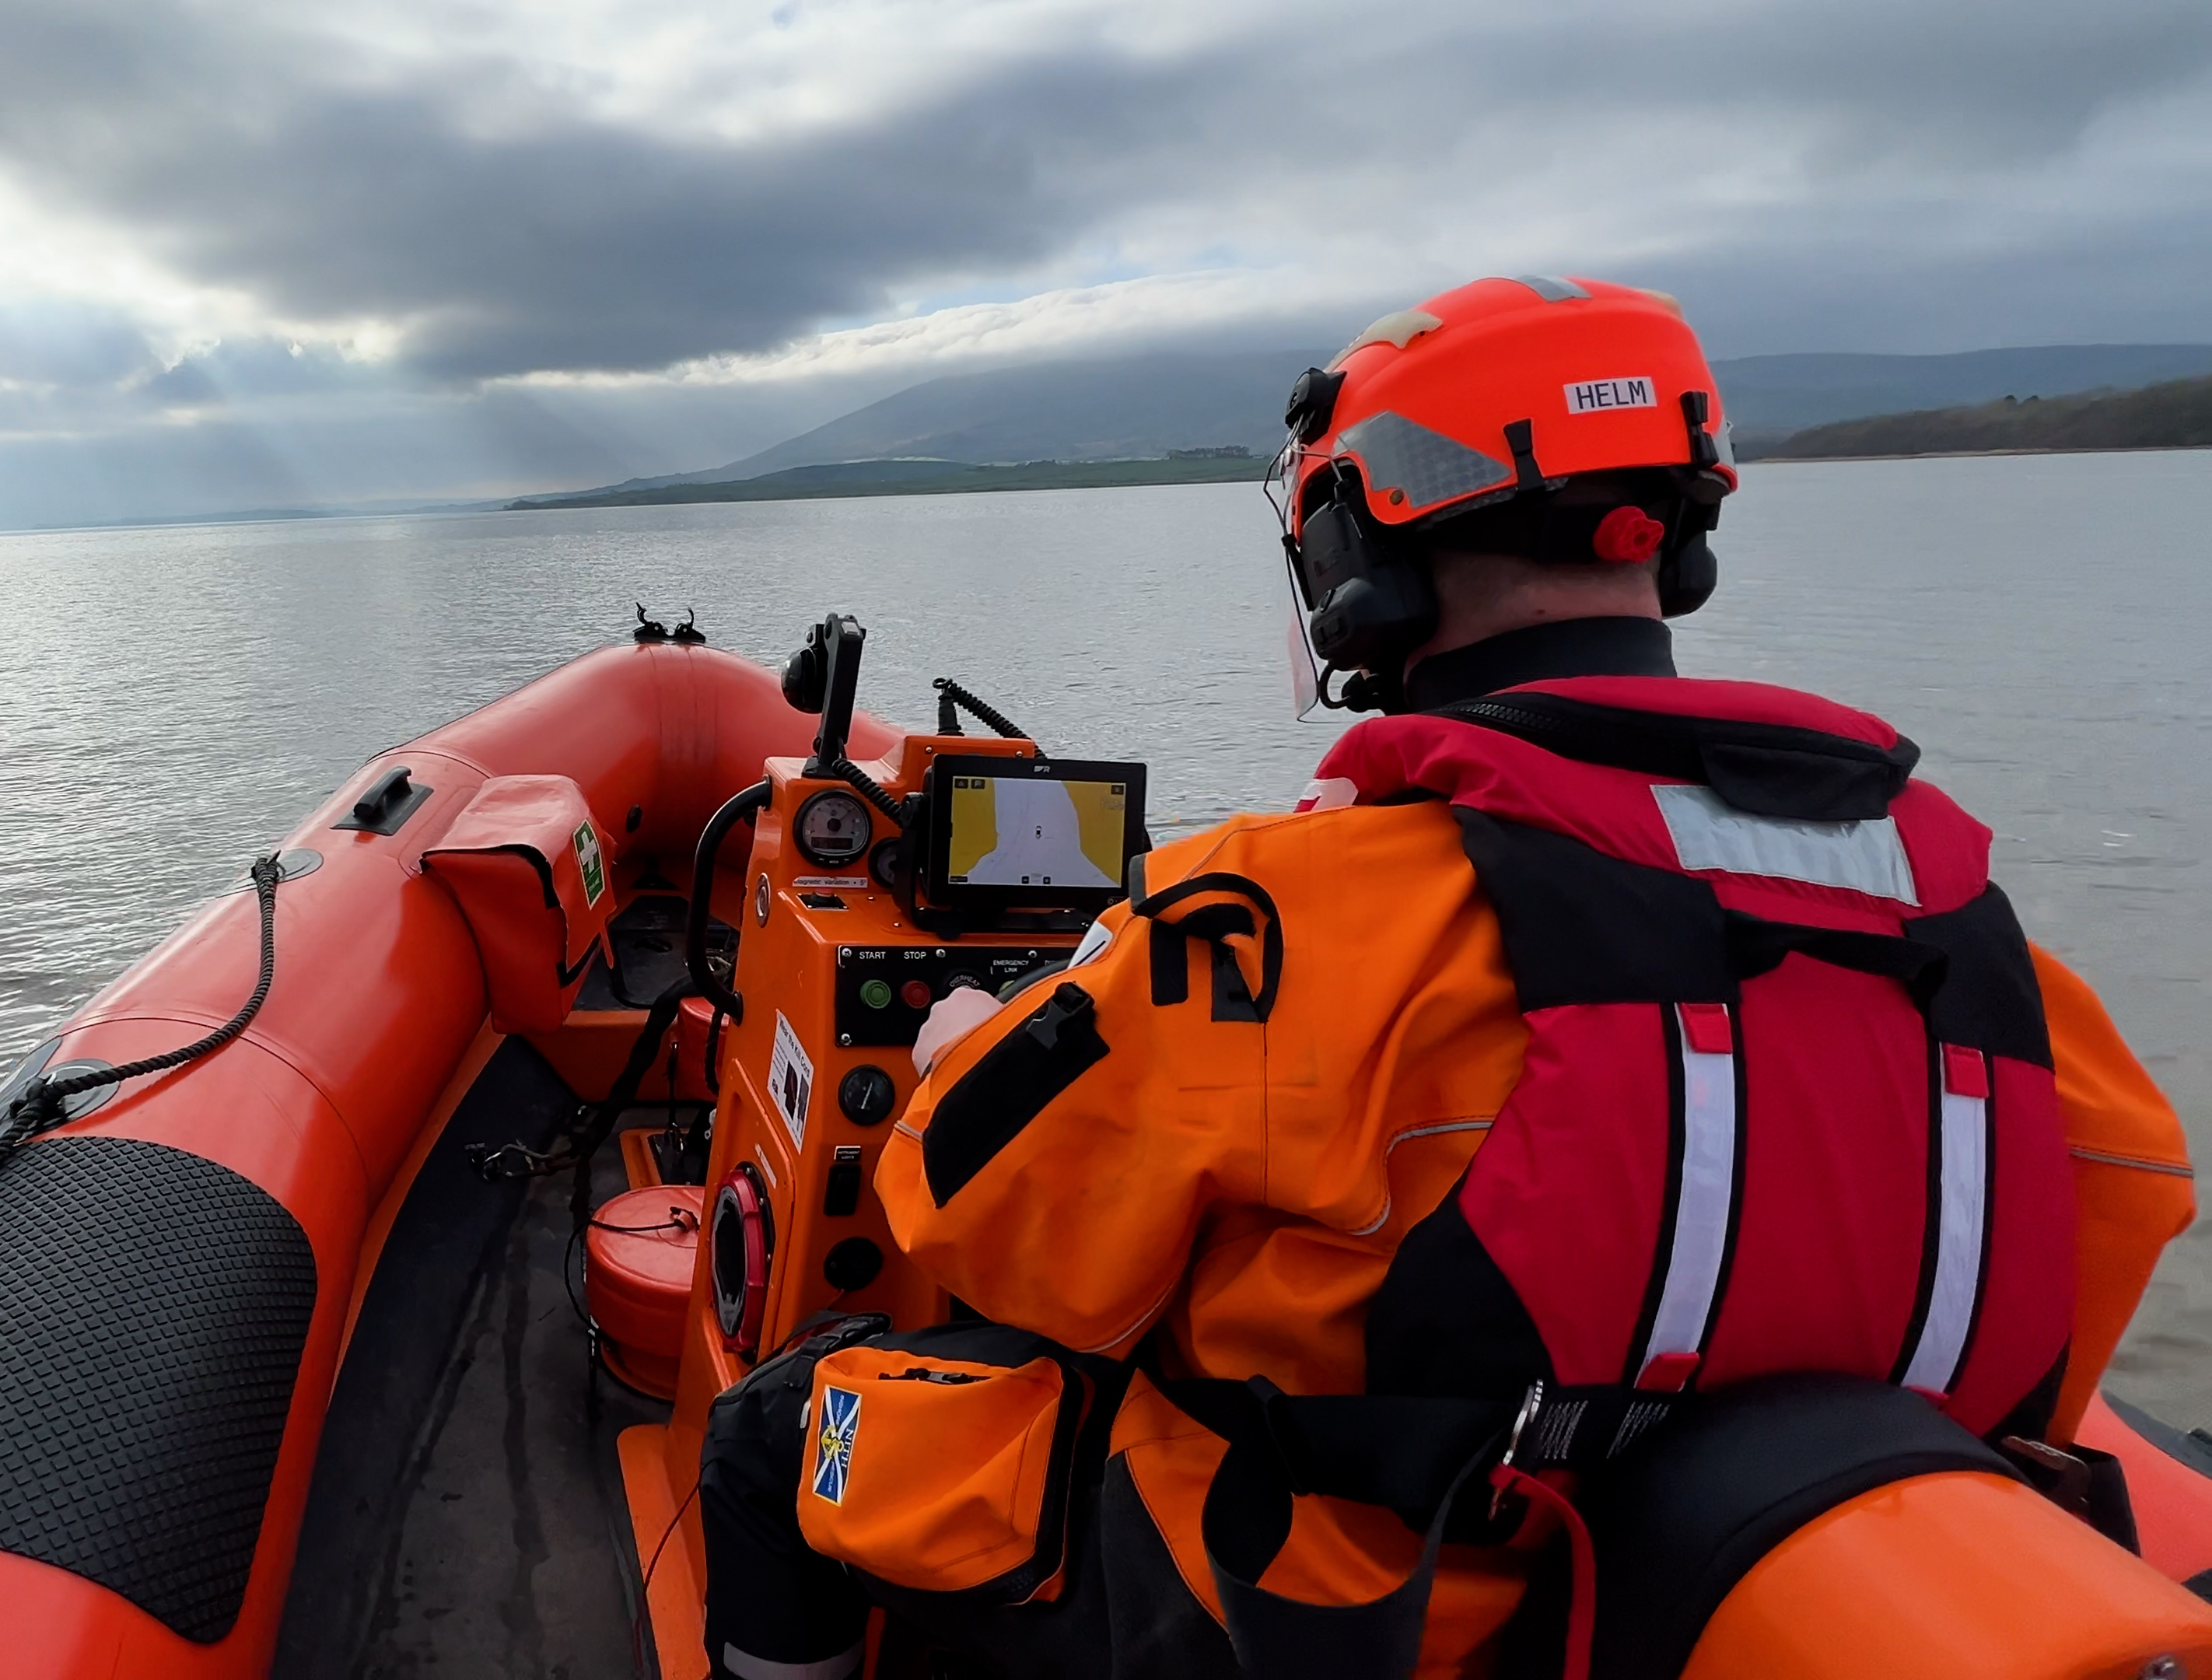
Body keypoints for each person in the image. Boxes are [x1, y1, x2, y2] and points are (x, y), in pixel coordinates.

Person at [697, 275, 2194, 1680]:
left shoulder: (1292, 911)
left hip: (1342, 1611)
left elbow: (984, 1230)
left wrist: (970, 1047)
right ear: (1671, 543)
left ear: (1356, 554)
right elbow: (2086, 1272)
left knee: (773, 1438)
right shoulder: (1987, 944)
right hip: (1750, 1591)